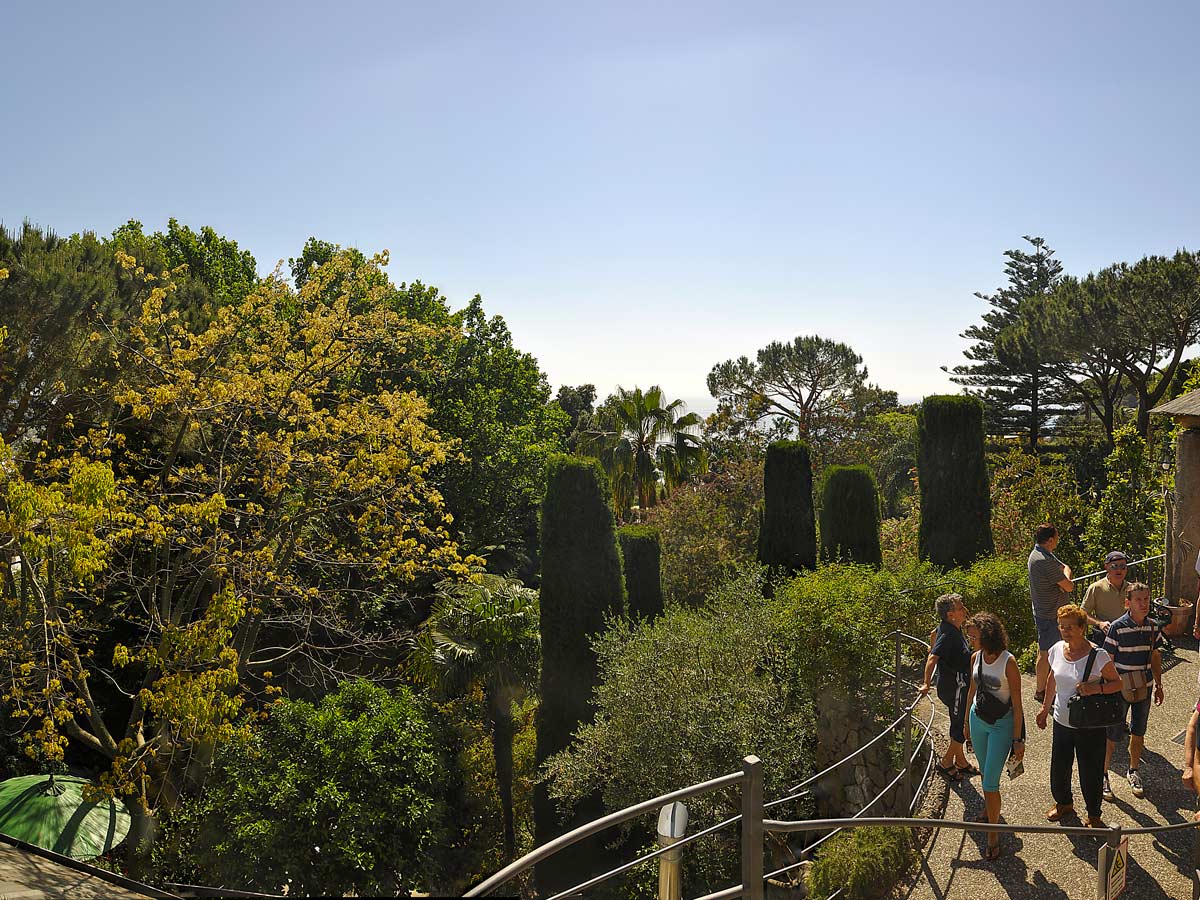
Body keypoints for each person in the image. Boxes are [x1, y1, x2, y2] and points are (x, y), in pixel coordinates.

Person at [1035, 604, 1122, 828]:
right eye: (1062, 627)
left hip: (1090, 725)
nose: (1065, 631)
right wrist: (1045, 708)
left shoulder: (1098, 655)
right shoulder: (1056, 649)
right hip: (1062, 720)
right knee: (1060, 766)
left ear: (1082, 628)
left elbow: (1117, 684)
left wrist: (1096, 689)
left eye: (1070, 627)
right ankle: (1064, 803)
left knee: (1090, 771)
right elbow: (1052, 678)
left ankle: (1094, 814)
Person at [963, 612, 1024, 860]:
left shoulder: (1008, 662)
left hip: (1001, 725)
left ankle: (993, 834)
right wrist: (966, 721)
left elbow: (1018, 705)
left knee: (990, 782)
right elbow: (972, 689)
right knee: (985, 773)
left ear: (987, 635)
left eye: (974, 636)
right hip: (978, 721)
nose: (970, 640)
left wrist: (1018, 740)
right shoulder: (975, 657)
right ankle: (990, 813)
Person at [1100, 582, 1163, 801]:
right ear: (1128, 602)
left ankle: (1134, 770)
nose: (1143, 603)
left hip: (1144, 689)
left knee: (1138, 733)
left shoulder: (1153, 627)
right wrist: (1109, 688)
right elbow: (1108, 661)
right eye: (1138, 599)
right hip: (1120, 690)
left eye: (1146, 599)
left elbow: (1155, 656)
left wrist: (1159, 685)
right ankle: (1103, 774)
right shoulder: (1117, 627)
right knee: (1111, 735)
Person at [918, 593, 978, 780]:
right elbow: (932, 658)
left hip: (956, 685)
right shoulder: (949, 633)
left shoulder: (950, 628)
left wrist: (932, 644)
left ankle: (960, 761)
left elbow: (933, 635)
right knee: (960, 726)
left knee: (956, 721)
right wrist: (926, 683)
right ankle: (945, 763)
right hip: (956, 687)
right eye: (960, 608)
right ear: (951, 614)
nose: (965, 610)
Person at [1029, 524, 1075, 705]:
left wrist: (1064, 571)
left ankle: (1045, 688)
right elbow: (1068, 584)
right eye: (1056, 537)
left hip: (1044, 611)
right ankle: (1041, 691)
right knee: (1045, 653)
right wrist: (1067, 572)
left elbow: (1062, 570)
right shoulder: (1043, 561)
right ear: (1049, 540)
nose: (1058, 540)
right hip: (1049, 615)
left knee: (1047, 651)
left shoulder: (1041, 554)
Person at [1082, 551, 1130, 639]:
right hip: (1105, 635)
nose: (1119, 570)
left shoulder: (1131, 589)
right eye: (1114, 566)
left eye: (1122, 566)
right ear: (1106, 567)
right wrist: (1099, 623)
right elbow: (1083, 613)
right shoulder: (1096, 588)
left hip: (1127, 635)